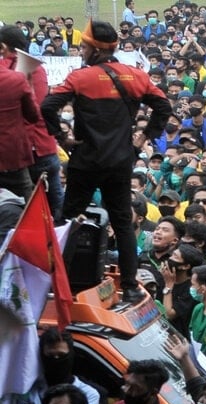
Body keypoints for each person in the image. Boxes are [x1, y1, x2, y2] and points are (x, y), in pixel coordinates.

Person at [41, 20, 171, 303]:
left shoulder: (80, 78)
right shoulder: (136, 76)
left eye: (84, 46)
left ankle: (55, 283)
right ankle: (131, 286)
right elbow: (163, 106)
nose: (81, 51)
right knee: (123, 223)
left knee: (67, 221)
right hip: (121, 161)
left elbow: (47, 107)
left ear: (96, 50)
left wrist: (62, 138)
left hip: (86, 161)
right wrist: (144, 137)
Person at [0, 35, 40, 200]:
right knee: (26, 211)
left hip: (12, 157)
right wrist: (28, 87)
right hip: (12, 157)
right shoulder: (16, 79)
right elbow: (33, 116)